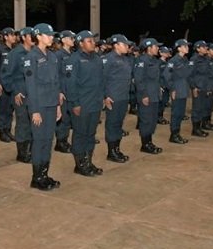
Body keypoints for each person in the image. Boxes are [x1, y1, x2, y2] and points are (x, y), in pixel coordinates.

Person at [24, 23, 62, 190]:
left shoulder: (52, 56)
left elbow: (56, 82)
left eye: (52, 35)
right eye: (48, 35)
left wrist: (58, 105)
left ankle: (44, 174)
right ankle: (37, 177)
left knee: (48, 140)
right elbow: (30, 86)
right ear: (39, 36)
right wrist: (35, 111)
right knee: (39, 141)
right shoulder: (31, 57)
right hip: (39, 106)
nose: (51, 37)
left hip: (51, 104)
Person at [66, 30, 105, 176]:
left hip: (95, 103)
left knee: (91, 134)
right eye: (89, 41)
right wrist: (75, 103)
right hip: (81, 104)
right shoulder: (74, 59)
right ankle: (80, 164)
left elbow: (101, 81)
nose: (93, 43)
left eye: (93, 41)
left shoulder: (97, 59)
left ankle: (88, 162)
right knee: (80, 134)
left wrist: (102, 98)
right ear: (81, 43)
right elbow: (70, 84)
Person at [1, 27, 34, 163]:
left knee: (34, 123)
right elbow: (5, 74)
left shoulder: (35, 53)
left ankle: (31, 150)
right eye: (31, 36)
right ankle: (22, 153)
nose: (34, 38)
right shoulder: (15, 54)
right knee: (23, 123)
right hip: (21, 94)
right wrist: (14, 91)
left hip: (34, 94)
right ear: (24, 37)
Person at [103, 34, 133, 162]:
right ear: (116, 45)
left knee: (119, 124)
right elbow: (102, 78)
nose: (127, 46)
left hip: (123, 96)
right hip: (113, 97)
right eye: (124, 44)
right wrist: (105, 96)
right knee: (112, 124)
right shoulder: (108, 59)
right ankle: (111, 152)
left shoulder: (126, 59)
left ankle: (117, 149)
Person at [134, 38, 164, 154]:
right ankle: (145, 144)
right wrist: (144, 95)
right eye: (156, 46)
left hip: (154, 94)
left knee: (152, 120)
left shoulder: (154, 60)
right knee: (146, 120)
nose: (158, 48)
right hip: (146, 95)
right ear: (149, 48)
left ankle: (149, 142)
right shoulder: (142, 61)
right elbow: (139, 79)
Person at [163, 39, 191, 143]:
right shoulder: (173, 61)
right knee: (176, 113)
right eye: (185, 46)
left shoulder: (185, 59)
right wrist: (172, 88)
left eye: (187, 46)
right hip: (177, 89)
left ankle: (177, 133)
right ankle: (174, 135)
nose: (187, 48)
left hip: (184, 89)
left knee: (181, 113)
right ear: (179, 48)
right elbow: (166, 75)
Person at [0, 27, 18, 142]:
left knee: (10, 109)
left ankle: (7, 130)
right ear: (5, 37)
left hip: (11, 84)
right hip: (2, 85)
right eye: (11, 35)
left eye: (14, 35)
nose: (14, 37)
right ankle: (2, 132)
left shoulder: (14, 49)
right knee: (3, 109)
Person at [54, 30, 76, 153]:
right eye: (71, 38)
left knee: (68, 118)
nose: (73, 40)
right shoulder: (58, 55)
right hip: (62, 91)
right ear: (63, 40)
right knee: (63, 118)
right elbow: (55, 75)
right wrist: (59, 91)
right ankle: (60, 142)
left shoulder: (73, 54)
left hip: (71, 91)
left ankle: (65, 140)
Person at [190, 40, 213, 137]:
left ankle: (199, 127)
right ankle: (195, 129)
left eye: (206, 47)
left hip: (205, 87)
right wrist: (194, 87)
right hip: (198, 88)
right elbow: (190, 75)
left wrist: (208, 88)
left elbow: (207, 75)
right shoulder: (194, 59)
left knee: (203, 107)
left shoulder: (206, 59)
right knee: (197, 108)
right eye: (203, 47)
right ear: (198, 49)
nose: (206, 48)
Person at [202, 43, 213, 131]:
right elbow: (205, 76)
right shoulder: (205, 61)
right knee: (206, 106)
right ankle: (205, 123)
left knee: (210, 106)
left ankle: (208, 122)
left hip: (212, 86)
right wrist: (207, 88)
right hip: (208, 87)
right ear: (208, 51)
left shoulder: (212, 60)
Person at [157, 46, 171, 125]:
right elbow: (157, 75)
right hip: (161, 86)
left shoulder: (168, 63)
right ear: (161, 53)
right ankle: (159, 117)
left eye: (167, 52)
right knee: (161, 102)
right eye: (165, 52)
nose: (167, 53)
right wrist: (159, 86)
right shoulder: (158, 63)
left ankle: (160, 116)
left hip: (167, 85)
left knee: (164, 101)